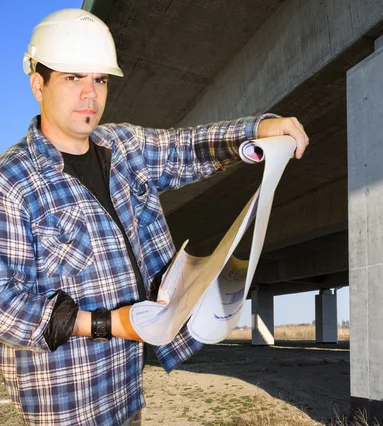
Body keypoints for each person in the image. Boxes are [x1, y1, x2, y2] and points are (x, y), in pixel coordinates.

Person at [0, 8, 308, 425]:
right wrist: (109, 324)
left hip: (127, 393)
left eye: (100, 79)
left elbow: (186, 146)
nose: (90, 94)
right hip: (65, 404)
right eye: (74, 78)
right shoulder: (12, 182)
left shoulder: (123, 147)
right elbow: (4, 303)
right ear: (39, 83)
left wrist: (258, 130)